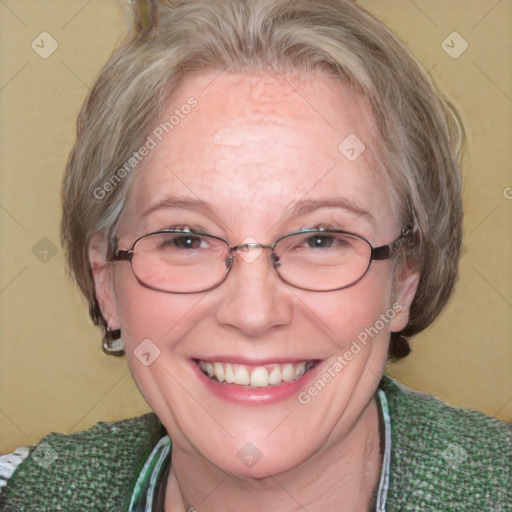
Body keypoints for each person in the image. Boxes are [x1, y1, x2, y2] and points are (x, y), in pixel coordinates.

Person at [1, 0, 510, 510]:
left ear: (404, 279)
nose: (253, 313)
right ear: (105, 282)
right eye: (186, 238)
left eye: (320, 238)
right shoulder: (27, 491)